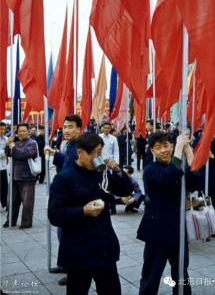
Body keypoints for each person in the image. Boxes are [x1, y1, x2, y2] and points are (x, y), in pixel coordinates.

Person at [48, 132, 133, 295]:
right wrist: (83, 211)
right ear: (80, 153)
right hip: (79, 251)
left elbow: (125, 190)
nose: (97, 157)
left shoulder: (101, 173)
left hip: (104, 247)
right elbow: (55, 214)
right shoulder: (63, 179)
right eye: (93, 153)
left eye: (100, 152)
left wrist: (116, 170)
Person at [137, 131, 193, 295]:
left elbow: (196, 180)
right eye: (158, 147)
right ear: (152, 151)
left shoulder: (179, 167)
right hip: (157, 232)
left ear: (172, 145)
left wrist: (188, 151)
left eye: (167, 145)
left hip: (178, 231)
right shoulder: (150, 169)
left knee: (181, 274)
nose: (163, 150)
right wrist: (177, 152)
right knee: (151, 276)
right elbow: (165, 177)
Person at [45, 114, 82, 283]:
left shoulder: (79, 146)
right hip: (65, 195)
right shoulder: (70, 145)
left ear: (78, 129)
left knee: (70, 236)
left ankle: (73, 271)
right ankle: (66, 264)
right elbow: (67, 161)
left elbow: (73, 168)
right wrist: (54, 153)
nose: (66, 130)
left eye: (70, 127)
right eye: (64, 127)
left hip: (73, 198)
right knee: (63, 234)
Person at [3, 123, 37, 228]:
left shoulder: (32, 143)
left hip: (27, 177)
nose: (21, 133)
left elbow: (24, 154)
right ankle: (10, 221)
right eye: (19, 131)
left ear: (28, 132)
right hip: (15, 176)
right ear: (17, 133)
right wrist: (8, 145)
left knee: (27, 202)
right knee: (13, 202)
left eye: (24, 131)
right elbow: (8, 153)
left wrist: (13, 147)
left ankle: (26, 223)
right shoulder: (16, 143)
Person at [0, 122, 8, 211]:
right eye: (1, 129)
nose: (2, 131)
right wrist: (3, 152)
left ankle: (5, 203)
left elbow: (9, 151)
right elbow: (4, 153)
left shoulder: (6, 139)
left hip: (3, 167)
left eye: (3, 129)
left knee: (4, 186)